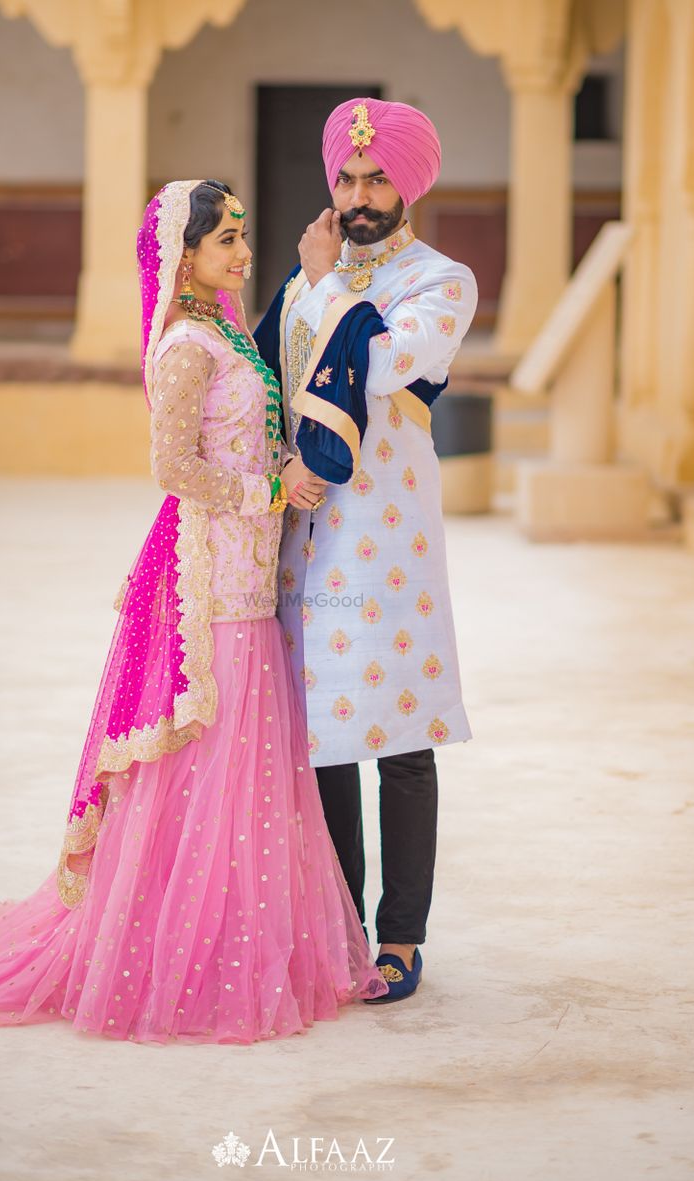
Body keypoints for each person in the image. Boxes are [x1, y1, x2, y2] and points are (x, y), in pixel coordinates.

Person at [0, 179, 387, 1044]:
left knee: (249, 761)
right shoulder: (186, 347)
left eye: (243, 235)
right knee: (206, 759)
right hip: (210, 590)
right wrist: (270, 486)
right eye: (226, 241)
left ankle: (239, 943)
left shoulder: (229, 329)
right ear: (186, 258)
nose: (241, 252)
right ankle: (170, 956)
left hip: (250, 577)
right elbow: (173, 470)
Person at [255, 99, 478, 1003]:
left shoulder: (440, 280)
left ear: (410, 181)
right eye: (347, 179)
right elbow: (272, 380)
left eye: (376, 177)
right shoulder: (312, 279)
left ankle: (401, 939)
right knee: (325, 740)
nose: (358, 196)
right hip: (308, 534)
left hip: (391, 545)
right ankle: (341, 929)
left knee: (403, 740)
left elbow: (385, 365)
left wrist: (325, 282)